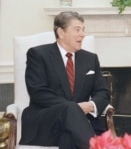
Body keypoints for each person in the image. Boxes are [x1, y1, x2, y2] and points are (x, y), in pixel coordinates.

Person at [19, 11, 110, 149]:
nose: (83, 34)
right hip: (47, 121)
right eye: (77, 29)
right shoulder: (38, 55)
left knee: (70, 136)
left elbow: (103, 92)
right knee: (70, 116)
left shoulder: (90, 59)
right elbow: (38, 93)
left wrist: (91, 106)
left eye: (83, 29)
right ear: (61, 32)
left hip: (81, 125)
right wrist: (73, 109)